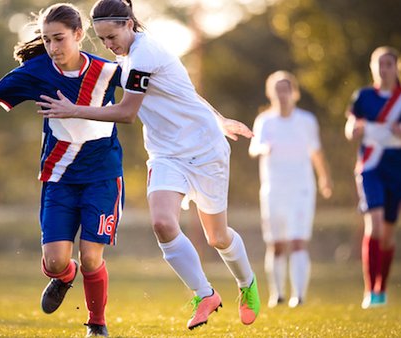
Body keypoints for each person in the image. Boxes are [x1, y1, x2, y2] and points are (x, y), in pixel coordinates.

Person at [36, 0, 261, 330]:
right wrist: (219, 116)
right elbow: (184, 90)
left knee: (218, 237)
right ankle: (205, 294)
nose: (109, 45)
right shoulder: (126, 55)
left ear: (129, 24)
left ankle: (247, 284)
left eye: (112, 37)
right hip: (166, 155)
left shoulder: (144, 53)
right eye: (102, 40)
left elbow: (127, 113)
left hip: (205, 150)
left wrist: (73, 109)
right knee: (163, 224)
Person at [0, 4, 123, 336]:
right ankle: (64, 277)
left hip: (102, 178)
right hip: (59, 179)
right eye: (47, 40)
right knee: (56, 263)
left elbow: (156, 93)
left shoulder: (108, 70)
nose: (54, 48)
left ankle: (96, 325)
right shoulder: (35, 72)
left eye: (59, 39)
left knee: (91, 258)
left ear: (79, 35)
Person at [344, 46, 401, 309]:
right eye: (379, 64)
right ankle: (371, 291)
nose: (384, 69)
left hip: (396, 170)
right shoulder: (362, 96)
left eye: (389, 64)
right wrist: (355, 130)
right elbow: (350, 128)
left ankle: (382, 286)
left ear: (397, 67)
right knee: (375, 226)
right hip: (370, 167)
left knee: (388, 235)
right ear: (373, 67)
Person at [248, 71, 333, 309]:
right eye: (277, 90)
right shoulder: (264, 121)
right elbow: (254, 148)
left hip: (301, 189)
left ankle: (299, 295)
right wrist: (264, 148)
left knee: (297, 241)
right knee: (276, 245)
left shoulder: (306, 121)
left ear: (293, 92)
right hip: (273, 189)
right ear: (270, 93)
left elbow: (316, 152)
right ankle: (278, 294)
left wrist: (324, 178)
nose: (282, 95)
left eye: (286, 89)